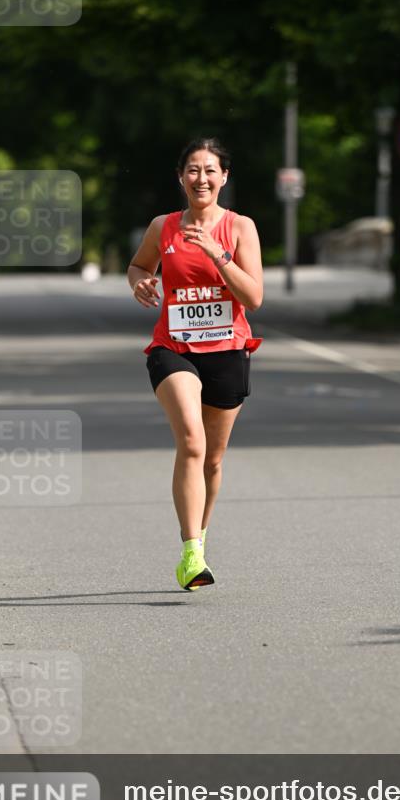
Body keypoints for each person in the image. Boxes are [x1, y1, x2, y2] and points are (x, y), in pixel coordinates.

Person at [128, 139, 263, 591]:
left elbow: (254, 297)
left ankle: (200, 540)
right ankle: (189, 554)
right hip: (175, 349)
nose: (200, 178)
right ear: (180, 177)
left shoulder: (240, 228)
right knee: (191, 441)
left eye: (210, 170)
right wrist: (141, 282)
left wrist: (216, 253)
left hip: (227, 351)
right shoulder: (162, 227)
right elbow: (137, 266)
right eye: (192, 170)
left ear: (224, 177)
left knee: (213, 459)